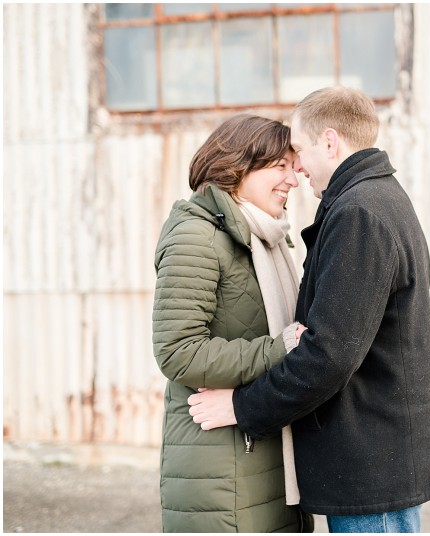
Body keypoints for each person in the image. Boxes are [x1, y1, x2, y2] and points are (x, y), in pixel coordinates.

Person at [187, 87, 430, 533]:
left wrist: (242, 405)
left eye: (298, 149)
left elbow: (329, 355)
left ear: (330, 143)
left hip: (372, 462)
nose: (295, 166)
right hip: (380, 453)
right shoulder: (378, 197)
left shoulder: (359, 214)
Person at [151, 114, 313, 532]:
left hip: (262, 447)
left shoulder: (266, 236)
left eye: (293, 167)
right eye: (280, 166)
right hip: (223, 464)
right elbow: (178, 352)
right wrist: (279, 349)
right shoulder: (197, 236)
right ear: (237, 166)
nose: (292, 180)